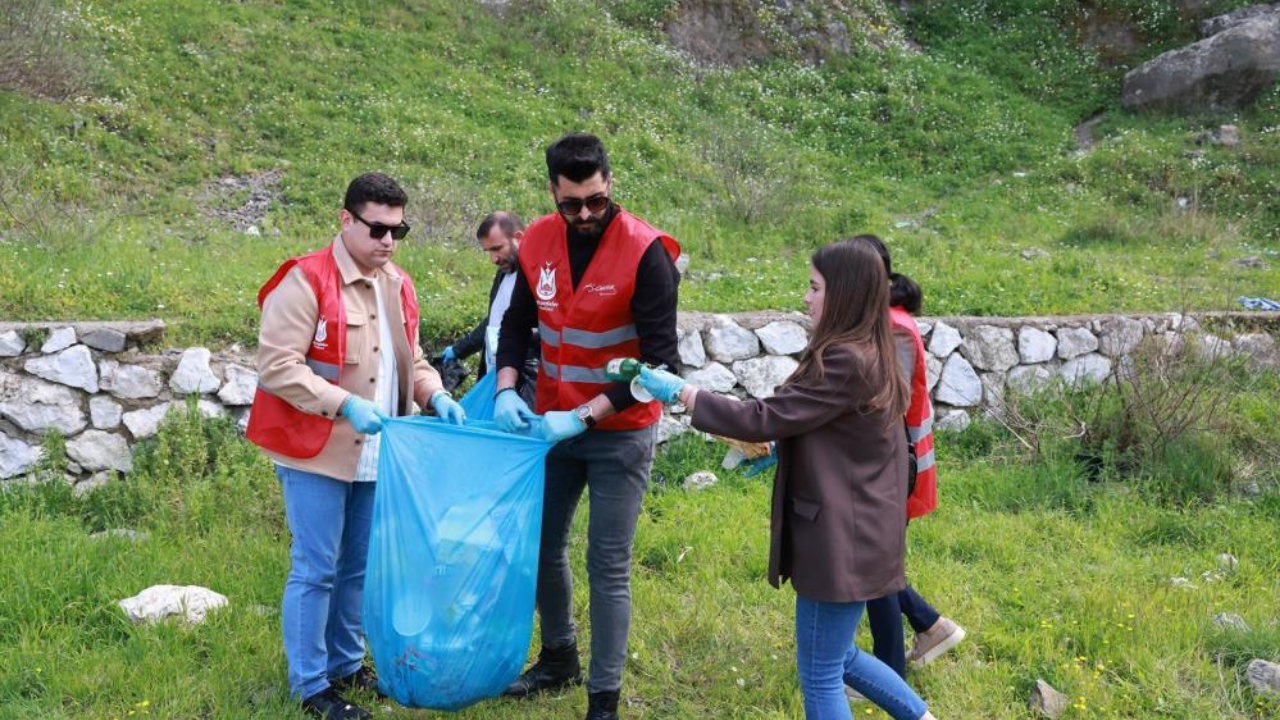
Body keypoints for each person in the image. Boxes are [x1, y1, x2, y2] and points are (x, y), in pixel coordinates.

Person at [634, 239, 940, 720]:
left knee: (820, 675)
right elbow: (821, 427)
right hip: (862, 531)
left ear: (841, 294)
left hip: (842, 538)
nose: (806, 298)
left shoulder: (846, 361)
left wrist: (685, 393)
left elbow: (762, 417)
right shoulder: (867, 349)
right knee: (841, 657)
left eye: (814, 287)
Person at [246, 172, 466, 720]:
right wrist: (344, 404)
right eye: (377, 228)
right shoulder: (305, 280)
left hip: (378, 452)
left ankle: (346, 667)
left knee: (358, 568)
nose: (388, 241)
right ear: (346, 221)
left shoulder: (399, 284)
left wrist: (435, 396)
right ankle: (311, 686)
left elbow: (411, 359)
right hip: (315, 449)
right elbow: (277, 368)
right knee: (317, 567)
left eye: (399, 230)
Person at [492, 132, 681, 720]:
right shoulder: (539, 242)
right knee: (541, 547)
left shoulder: (646, 252)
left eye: (595, 201)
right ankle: (558, 658)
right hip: (550, 423)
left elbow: (661, 365)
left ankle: (603, 697)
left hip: (618, 430)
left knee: (607, 563)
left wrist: (586, 415)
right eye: (571, 204)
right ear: (552, 191)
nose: (585, 215)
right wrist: (504, 391)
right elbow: (517, 325)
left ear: (609, 183)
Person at [852, 234, 966, 685]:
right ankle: (930, 627)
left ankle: (888, 672)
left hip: (891, 466)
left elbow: (884, 403)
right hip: (886, 463)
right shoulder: (882, 321)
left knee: (872, 568)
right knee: (872, 562)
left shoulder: (894, 327)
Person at [438, 211, 539, 407]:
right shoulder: (504, 273)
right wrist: (458, 350)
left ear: (519, 237)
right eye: (488, 252)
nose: (494, 259)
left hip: (525, 385)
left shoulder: (539, 277)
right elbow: (495, 320)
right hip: (495, 378)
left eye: (497, 248)